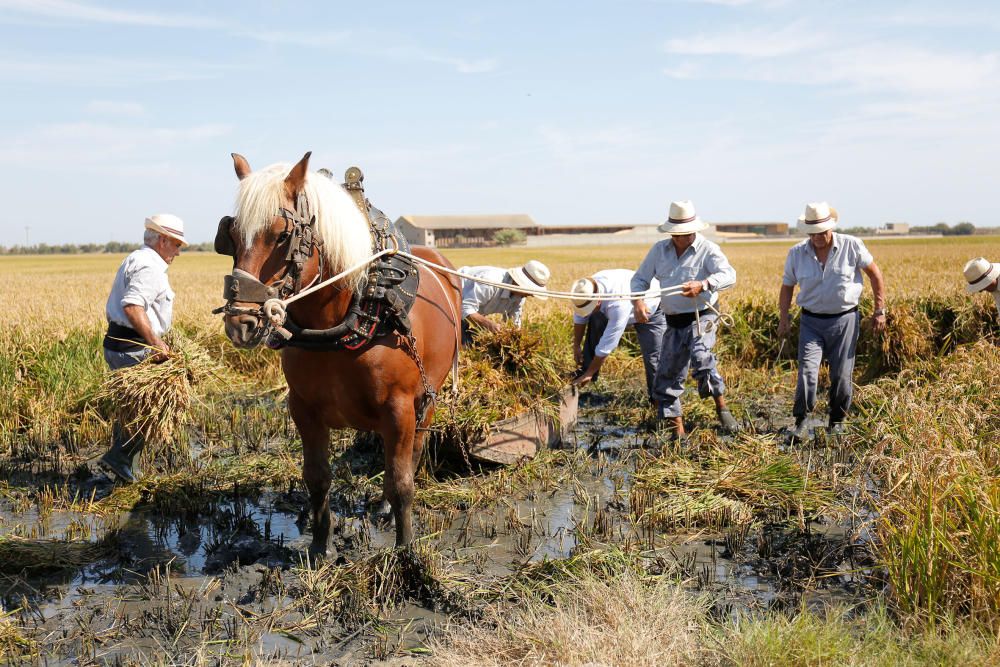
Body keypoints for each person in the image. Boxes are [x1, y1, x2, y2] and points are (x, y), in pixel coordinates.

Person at [631, 200, 740, 437]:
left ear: (694, 230)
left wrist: (704, 284)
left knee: (701, 357)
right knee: (667, 375)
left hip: (703, 316)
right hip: (673, 321)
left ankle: (721, 407)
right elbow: (639, 279)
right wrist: (637, 302)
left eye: (686, 233)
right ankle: (678, 433)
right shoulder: (659, 250)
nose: (681, 238)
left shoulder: (708, 249)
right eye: (677, 234)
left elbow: (729, 275)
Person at [778, 202, 886, 442]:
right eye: (812, 233)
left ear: (831, 228)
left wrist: (880, 310)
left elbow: (875, 275)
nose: (817, 237)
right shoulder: (797, 253)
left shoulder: (852, 246)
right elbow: (787, 287)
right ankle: (802, 421)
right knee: (807, 371)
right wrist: (783, 318)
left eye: (822, 232)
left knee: (841, 374)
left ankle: (837, 421)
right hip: (811, 321)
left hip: (845, 320)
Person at [98, 214, 187, 483]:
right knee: (151, 409)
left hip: (119, 343)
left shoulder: (136, 258)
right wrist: (157, 344)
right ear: (162, 240)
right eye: (176, 245)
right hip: (133, 348)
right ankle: (119, 458)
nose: (178, 252)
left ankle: (127, 470)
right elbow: (133, 307)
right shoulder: (150, 267)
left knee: (131, 408)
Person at [570, 269, 665, 402]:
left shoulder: (618, 304)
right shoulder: (586, 289)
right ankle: (585, 371)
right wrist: (576, 346)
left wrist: (590, 373)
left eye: (589, 308)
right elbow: (580, 317)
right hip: (619, 303)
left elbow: (608, 344)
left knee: (654, 358)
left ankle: (658, 401)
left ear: (597, 302)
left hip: (650, 307)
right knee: (596, 319)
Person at [458, 260, 551, 344]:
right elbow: (465, 308)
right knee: (462, 344)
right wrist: (489, 325)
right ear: (519, 283)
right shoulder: (490, 282)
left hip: (470, 312)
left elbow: (514, 324)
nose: (531, 295)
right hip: (453, 299)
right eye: (530, 291)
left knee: (477, 342)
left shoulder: (520, 297)